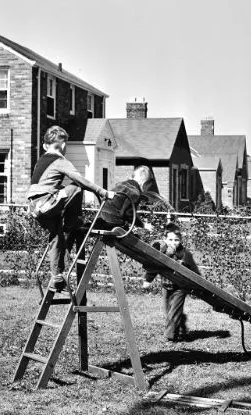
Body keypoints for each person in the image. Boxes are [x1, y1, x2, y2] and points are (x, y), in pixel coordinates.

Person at [27, 125, 114, 291]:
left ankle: (57, 277)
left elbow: (46, 186)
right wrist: (102, 192)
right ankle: (72, 223)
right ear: (64, 145)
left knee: (56, 238)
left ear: (45, 146)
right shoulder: (59, 160)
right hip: (45, 203)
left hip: (34, 207)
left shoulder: (42, 160)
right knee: (76, 187)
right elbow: (80, 179)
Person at [142, 223, 201, 342]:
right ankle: (175, 330)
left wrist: (197, 286)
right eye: (170, 240)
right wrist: (148, 280)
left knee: (174, 311)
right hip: (165, 285)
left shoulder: (184, 254)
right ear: (165, 239)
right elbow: (154, 267)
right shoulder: (162, 252)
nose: (173, 242)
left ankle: (170, 336)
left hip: (180, 287)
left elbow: (194, 270)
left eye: (176, 240)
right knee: (167, 310)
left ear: (181, 240)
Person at [93, 164, 156, 232]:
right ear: (144, 183)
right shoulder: (134, 192)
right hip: (112, 223)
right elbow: (129, 214)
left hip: (100, 219)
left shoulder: (120, 185)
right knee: (133, 240)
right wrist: (143, 225)